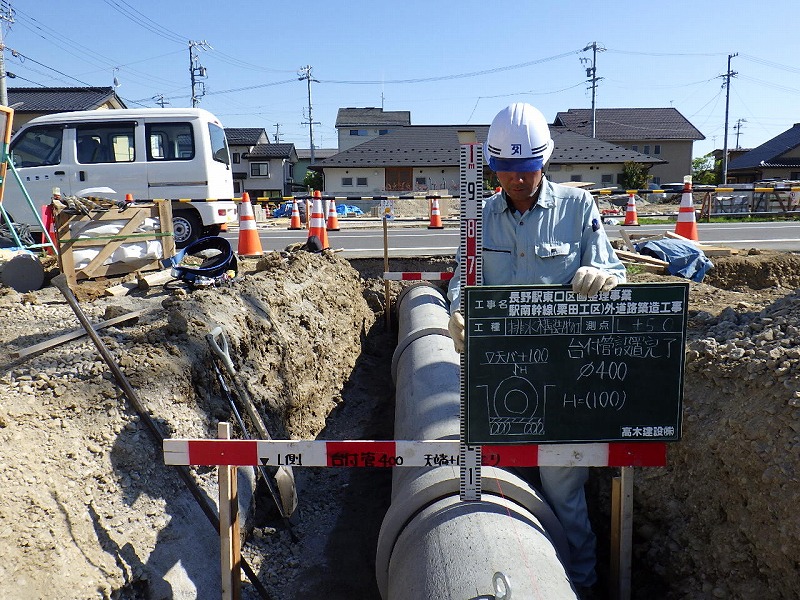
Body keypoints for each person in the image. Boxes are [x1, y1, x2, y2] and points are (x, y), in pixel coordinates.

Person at [446, 102, 627, 594]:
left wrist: (603, 277)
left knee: (563, 488)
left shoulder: (577, 207)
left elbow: (617, 273)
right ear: (493, 167)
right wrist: (457, 312)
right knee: (483, 478)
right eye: (506, 171)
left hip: (564, 377)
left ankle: (580, 584)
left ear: (544, 161)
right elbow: (464, 279)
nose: (517, 182)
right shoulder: (479, 216)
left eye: (526, 171)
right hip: (497, 371)